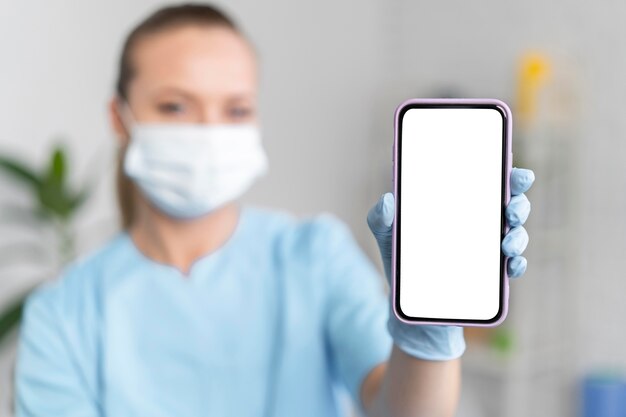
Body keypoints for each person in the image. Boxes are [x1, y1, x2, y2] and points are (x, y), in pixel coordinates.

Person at [14, 4, 534, 417]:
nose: (210, 132)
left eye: (235, 109)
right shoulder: (63, 316)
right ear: (120, 117)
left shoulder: (314, 256)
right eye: (175, 105)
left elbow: (400, 411)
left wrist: (428, 331)